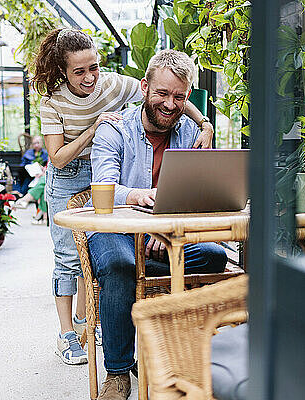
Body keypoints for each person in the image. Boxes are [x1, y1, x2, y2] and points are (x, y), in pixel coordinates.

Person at [33, 29, 215, 366]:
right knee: (72, 259)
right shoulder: (55, 103)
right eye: (79, 71)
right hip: (69, 172)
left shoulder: (120, 86)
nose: (89, 77)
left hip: (111, 180)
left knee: (212, 256)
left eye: (94, 68)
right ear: (63, 71)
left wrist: (204, 123)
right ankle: (79, 340)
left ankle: (107, 320)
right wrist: (95, 128)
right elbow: (58, 158)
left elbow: (173, 94)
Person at [87, 49, 228, 399]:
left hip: (164, 236)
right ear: (145, 87)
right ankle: (118, 373)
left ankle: (185, 356)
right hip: (115, 231)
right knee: (120, 266)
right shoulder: (114, 130)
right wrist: (137, 197)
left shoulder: (190, 136)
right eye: (162, 93)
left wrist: (164, 234)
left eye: (179, 96)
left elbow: (195, 196)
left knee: (213, 255)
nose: (169, 103)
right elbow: (104, 189)